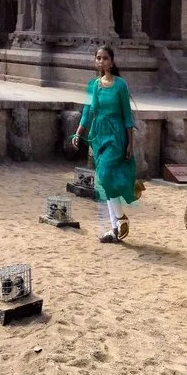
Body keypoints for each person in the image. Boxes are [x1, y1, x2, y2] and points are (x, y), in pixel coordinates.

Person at [74, 46, 140, 243]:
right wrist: (78, 133)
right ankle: (115, 229)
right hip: (98, 136)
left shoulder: (120, 85)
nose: (101, 61)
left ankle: (120, 218)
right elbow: (87, 112)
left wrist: (130, 142)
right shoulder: (94, 85)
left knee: (103, 176)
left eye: (105, 58)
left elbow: (127, 116)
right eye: (98, 58)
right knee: (104, 180)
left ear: (112, 61)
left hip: (116, 135)